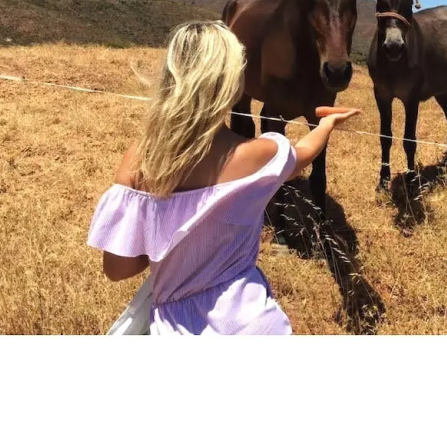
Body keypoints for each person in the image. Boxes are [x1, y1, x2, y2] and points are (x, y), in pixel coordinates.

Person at [87, 20, 360, 335]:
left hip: (174, 327)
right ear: (232, 83)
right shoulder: (261, 154)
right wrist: (326, 125)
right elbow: (304, 153)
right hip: (254, 325)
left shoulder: (139, 161)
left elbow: (117, 268)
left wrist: (171, 243)